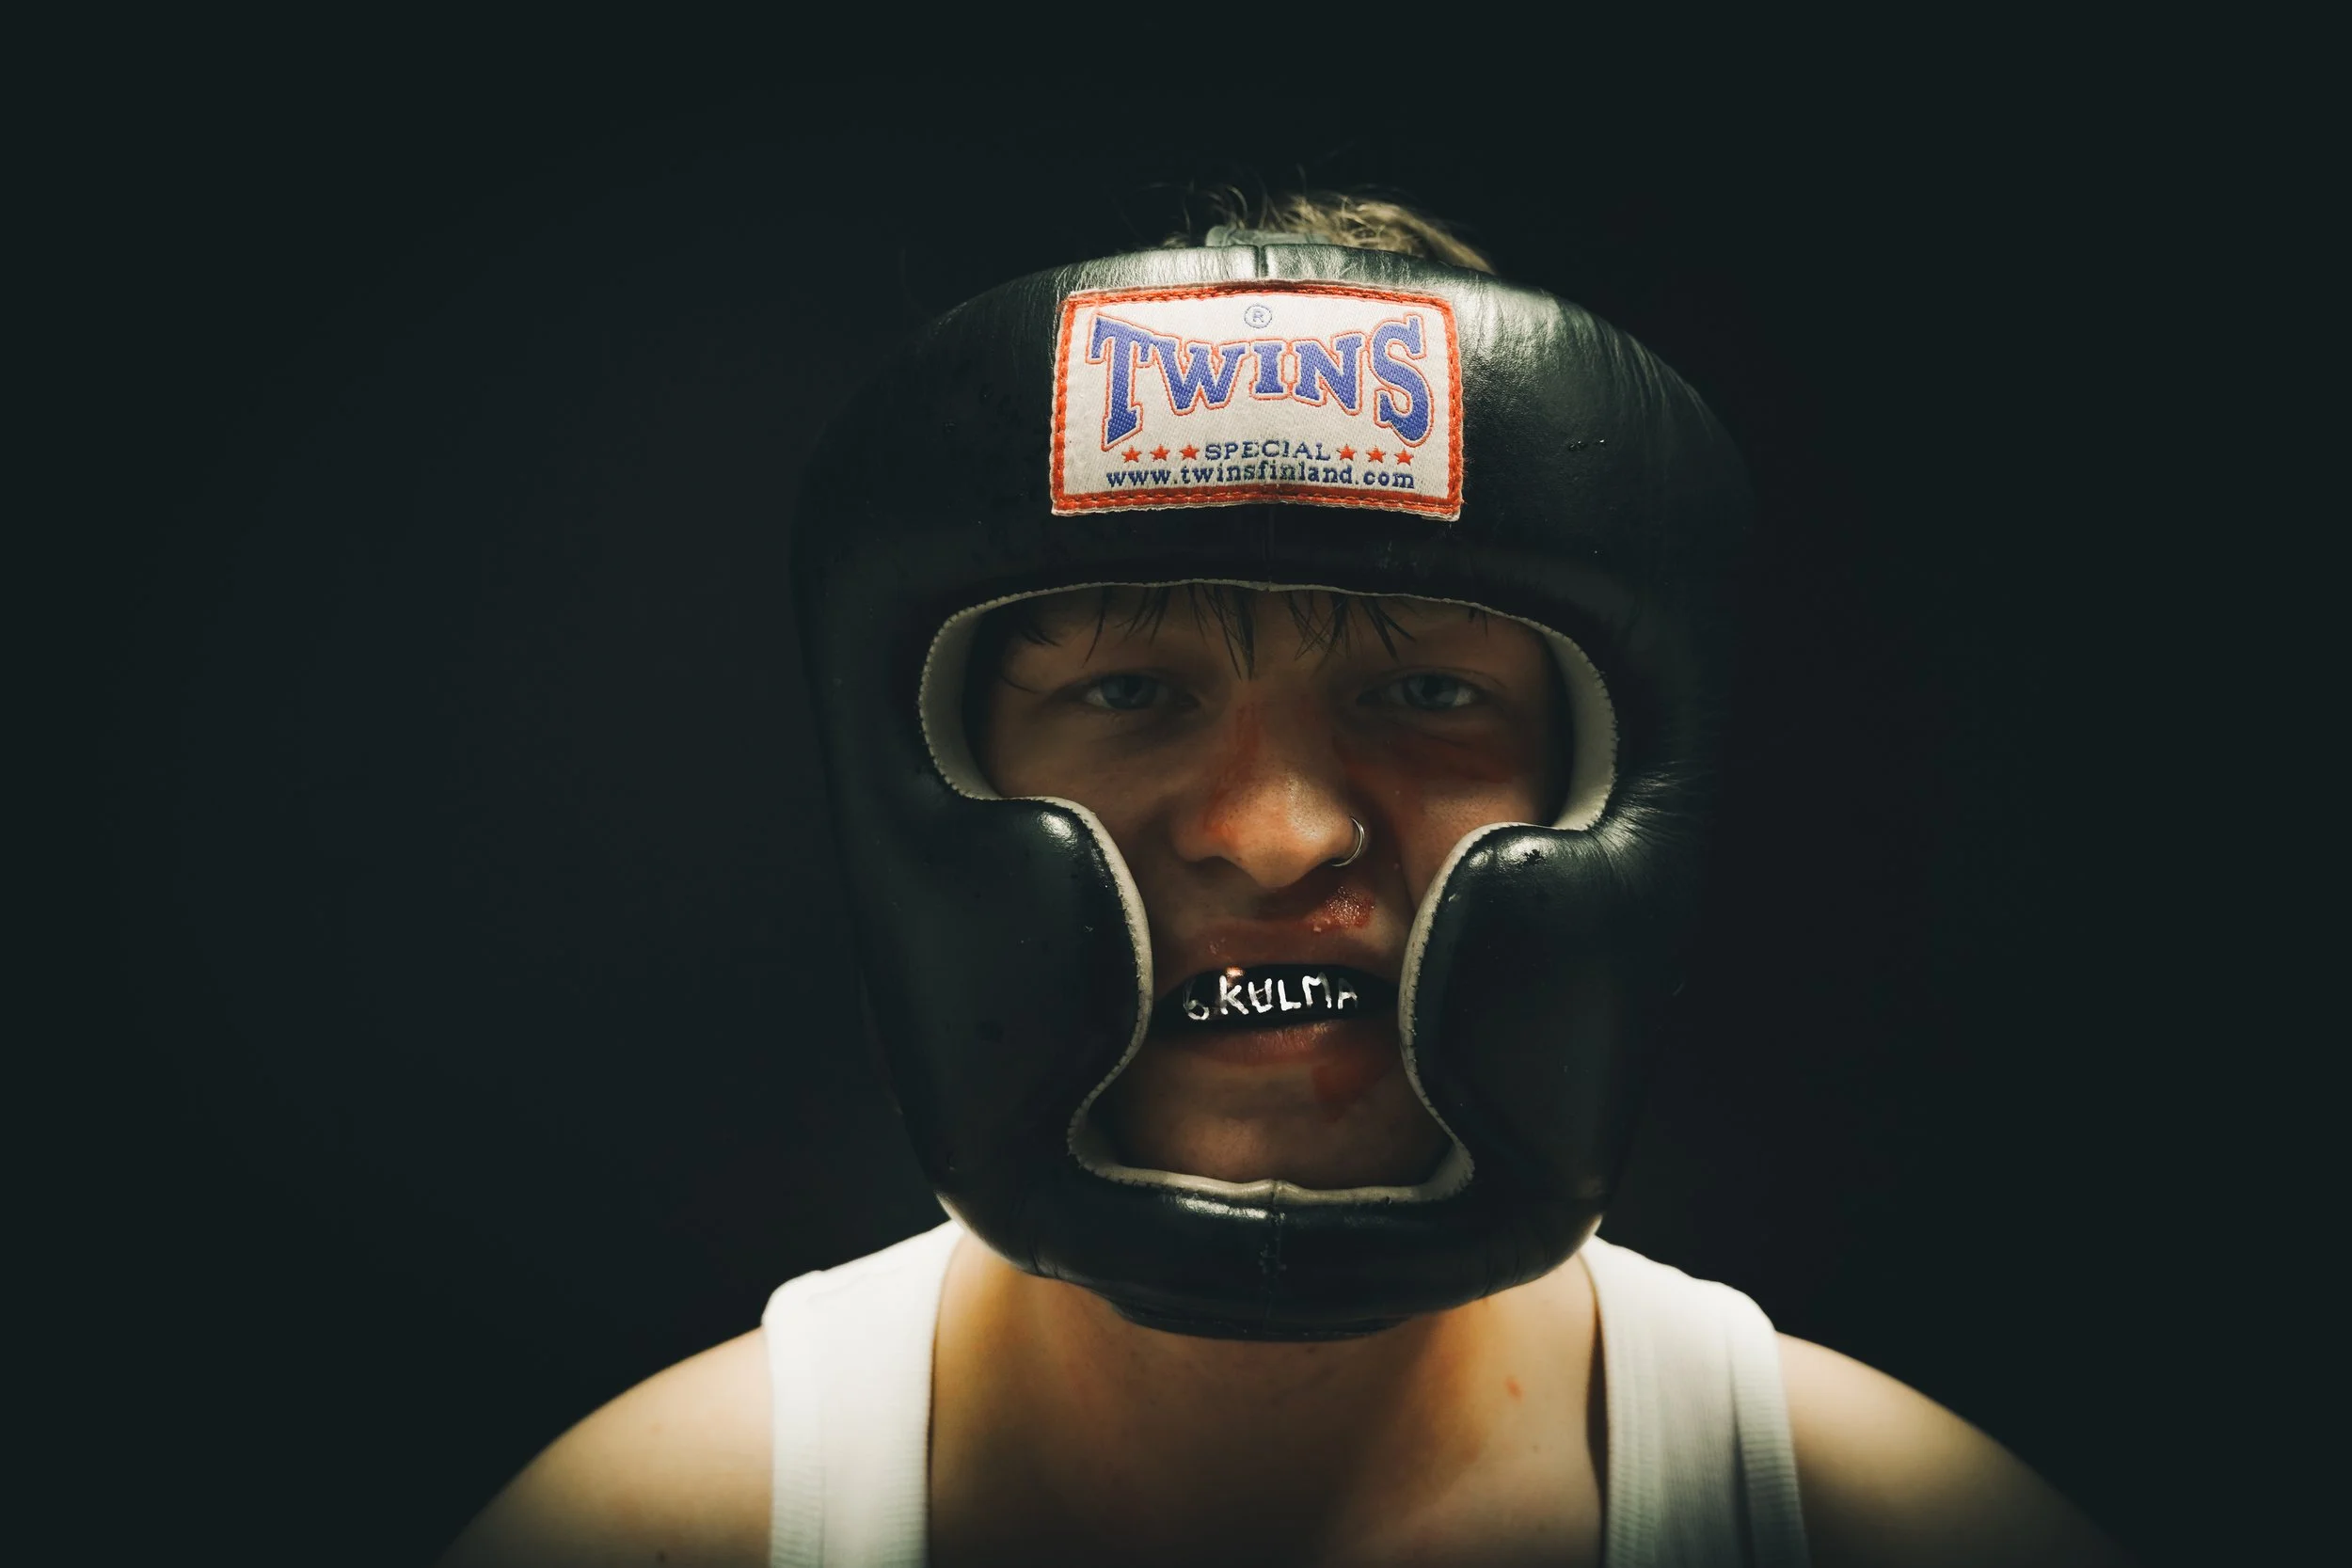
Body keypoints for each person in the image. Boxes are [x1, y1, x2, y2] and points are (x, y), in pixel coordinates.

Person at [441, 195, 2127, 1567]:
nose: (1275, 832)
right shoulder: (662, 1532)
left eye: (1426, 692)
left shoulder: (1889, 1527)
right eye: (1128, 690)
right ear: (947, 771)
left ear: (1600, 783)